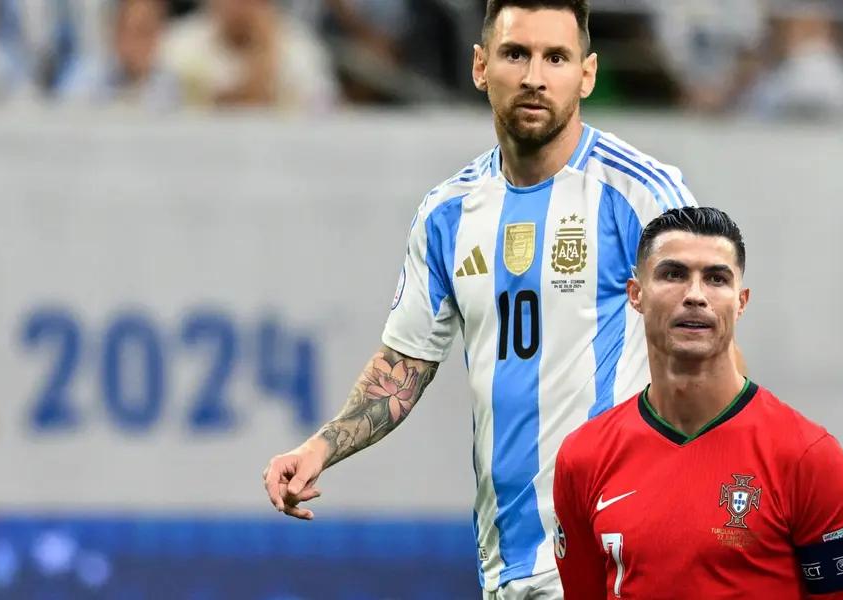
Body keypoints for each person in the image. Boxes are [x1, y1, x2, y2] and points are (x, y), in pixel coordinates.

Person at [263, 2, 743, 597]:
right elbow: (405, 365)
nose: (535, 76)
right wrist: (319, 448)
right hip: (508, 557)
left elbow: (714, 356)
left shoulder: (640, 194)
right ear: (480, 66)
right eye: (516, 54)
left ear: (587, 75)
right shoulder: (448, 214)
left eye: (556, 57)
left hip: (624, 553)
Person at [553, 207, 843, 599]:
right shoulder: (583, 457)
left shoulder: (808, 458)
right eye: (673, 274)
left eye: (716, 279)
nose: (695, 295)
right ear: (636, 294)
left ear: (741, 302)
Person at [159, 0, 335, 111]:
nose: (241, 7)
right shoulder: (180, 43)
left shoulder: (299, 47)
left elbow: (322, 111)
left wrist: (266, 52)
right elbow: (161, 106)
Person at [56, 0, 179, 109]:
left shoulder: (167, 84)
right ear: (117, 31)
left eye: (150, 32)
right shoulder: (85, 76)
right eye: (136, 31)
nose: (141, 43)